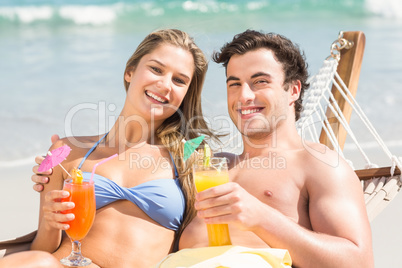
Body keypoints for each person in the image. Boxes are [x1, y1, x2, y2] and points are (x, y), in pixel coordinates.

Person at [32, 30, 374, 268]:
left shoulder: (318, 163)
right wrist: (53, 177)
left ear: (294, 90)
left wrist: (261, 216)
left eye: (260, 82)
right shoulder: (205, 164)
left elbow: (357, 263)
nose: (244, 96)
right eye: (234, 83)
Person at [4, 28, 216, 268]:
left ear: (186, 93)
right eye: (156, 69)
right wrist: (51, 224)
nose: (165, 84)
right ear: (130, 71)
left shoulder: (190, 158)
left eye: (179, 80)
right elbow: (42, 249)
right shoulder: (65, 151)